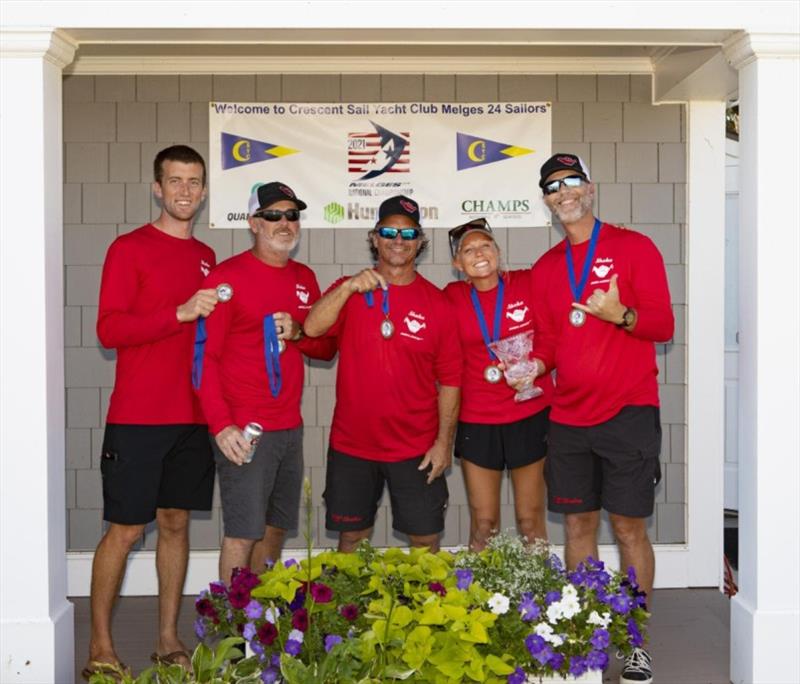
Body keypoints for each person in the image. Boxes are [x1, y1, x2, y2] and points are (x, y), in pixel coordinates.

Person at [530, 153, 674, 684]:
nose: (563, 192)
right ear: (546, 200)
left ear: (590, 188)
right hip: (568, 418)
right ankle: (587, 637)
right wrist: (533, 367)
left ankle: (635, 642)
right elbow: (548, 340)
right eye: (552, 186)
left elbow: (662, 324)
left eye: (571, 181)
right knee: (577, 524)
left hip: (628, 413)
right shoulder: (547, 269)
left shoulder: (634, 248)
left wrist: (623, 316)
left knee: (630, 527)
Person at [86, 145, 218, 677]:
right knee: (125, 529)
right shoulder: (129, 248)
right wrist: (178, 312)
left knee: (176, 523)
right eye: (175, 181)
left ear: (204, 192)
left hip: (193, 417)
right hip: (139, 416)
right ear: (157, 188)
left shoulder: (207, 257)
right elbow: (109, 329)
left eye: (194, 182)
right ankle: (99, 644)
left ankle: (167, 636)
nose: (185, 191)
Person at [195, 182, 336, 584]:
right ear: (254, 223)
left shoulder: (304, 277)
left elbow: (324, 349)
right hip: (245, 428)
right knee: (242, 533)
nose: (285, 223)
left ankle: (262, 622)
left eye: (292, 215)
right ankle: (232, 634)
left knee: (275, 529)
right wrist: (222, 426)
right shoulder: (227, 277)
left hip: (289, 428)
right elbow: (205, 359)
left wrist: (299, 334)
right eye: (274, 215)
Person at [304, 195, 461, 553]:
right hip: (353, 445)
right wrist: (347, 289)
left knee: (425, 539)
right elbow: (312, 329)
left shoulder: (437, 304)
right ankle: (350, 611)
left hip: (417, 446)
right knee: (352, 537)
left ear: (420, 242)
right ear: (375, 237)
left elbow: (451, 380)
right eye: (389, 231)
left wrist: (443, 444)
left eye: (408, 234)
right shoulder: (350, 290)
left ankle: (423, 610)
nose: (398, 240)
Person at [444, 218, 553, 551]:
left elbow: (552, 338)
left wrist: (538, 365)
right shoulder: (451, 297)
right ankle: (476, 600)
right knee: (484, 522)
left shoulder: (527, 282)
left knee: (530, 518)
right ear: (457, 263)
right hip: (478, 419)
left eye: (485, 245)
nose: (479, 253)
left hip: (530, 413)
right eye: (468, 249)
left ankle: (542, 598)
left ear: (498, 252)